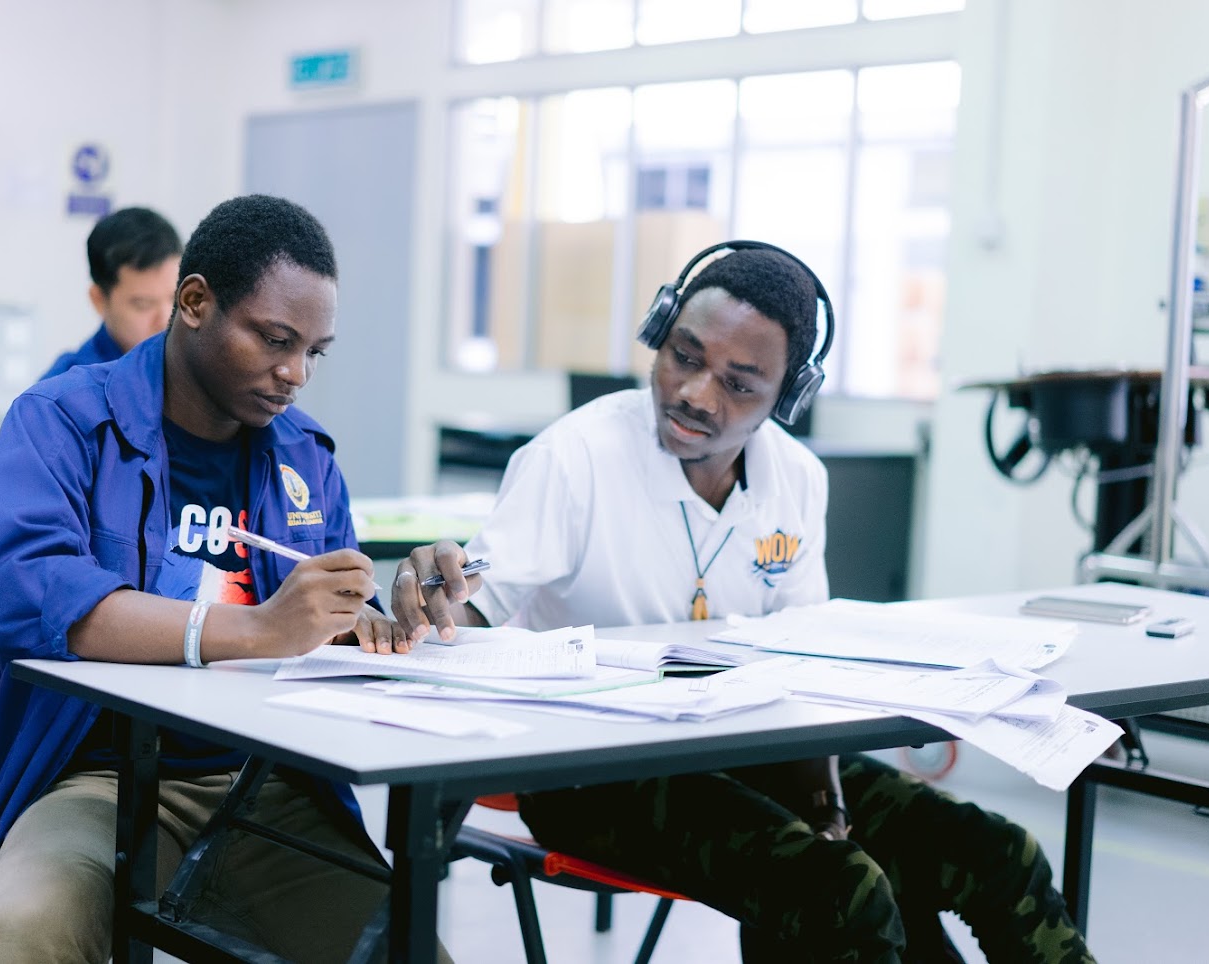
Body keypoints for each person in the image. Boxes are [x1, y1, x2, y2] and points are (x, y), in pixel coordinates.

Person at [393, 243, 1094, 964]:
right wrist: (434, 599)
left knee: (999, 853)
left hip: (754, 748)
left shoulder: (797, 479)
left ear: (787, 396)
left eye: (738, 383)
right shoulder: (573, 457)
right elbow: (473, 606)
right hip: (593, 772)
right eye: (684, 356)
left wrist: (825, 802)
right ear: (660, 334)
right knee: (842, 894)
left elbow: (805, 660)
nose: (697, 394)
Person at [0, 194, 445, 963]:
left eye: (314, 352)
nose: (295, 374)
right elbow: (30, 594)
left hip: (266, 786)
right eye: (275, 340)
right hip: (97, 778)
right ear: (193, 303)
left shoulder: (304, 454)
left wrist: (397, 613)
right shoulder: (61, 420)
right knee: (29, 933)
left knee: (409, 954)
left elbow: (335, 617)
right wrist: (254, 629)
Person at [40, 206, 182, 379]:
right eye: (143, 305)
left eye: (176, 299)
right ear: (99, 300)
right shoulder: (66, 390)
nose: (166, 321)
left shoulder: (198, 367)